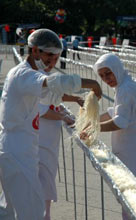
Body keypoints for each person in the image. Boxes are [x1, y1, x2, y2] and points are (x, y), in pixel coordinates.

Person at [0, 28, 102, 220]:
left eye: (56, 58)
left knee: (12, 209)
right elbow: (54, 83)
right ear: (34, 50)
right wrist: (92, 84)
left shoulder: (31, 75)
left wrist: (79, 99)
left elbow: (51, 96)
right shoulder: (23, 74)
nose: (52, 62)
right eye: (49, 55)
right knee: (31, 211)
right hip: (17, 151)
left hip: (21, 149)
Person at [86, 53, 136, 220]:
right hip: (131, 153)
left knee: (134, 205)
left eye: (108, 73)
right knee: (131, 203)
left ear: (116, 69)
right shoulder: (123, 86)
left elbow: (120, 122)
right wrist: (90, 120)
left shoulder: (126, 89)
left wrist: (94, 129)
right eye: (102, 76)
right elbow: (114, 113)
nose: (106, 78)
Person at [38, 66, 84, 220]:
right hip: (39, 139)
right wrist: (63, 117)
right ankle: (43, 215)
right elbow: (42, 111)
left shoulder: (47, 79)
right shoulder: (36, 81)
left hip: (49, 140)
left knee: (48, 176)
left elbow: (55, 98)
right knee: (41, 178)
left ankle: (46, 213)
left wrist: (70, 104)